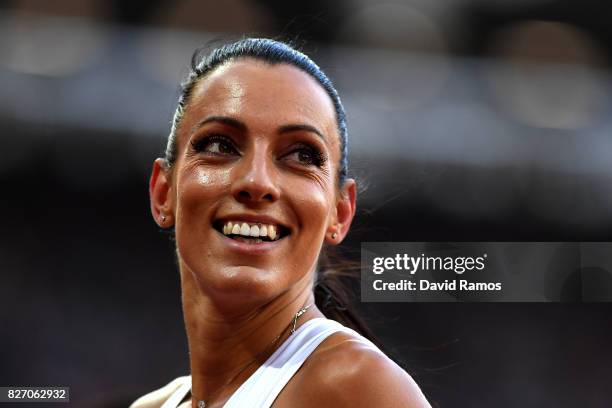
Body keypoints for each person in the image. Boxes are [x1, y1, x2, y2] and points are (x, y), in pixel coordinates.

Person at [131, 38, 431, 408]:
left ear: (340, 213)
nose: (257, 182)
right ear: (163, 192)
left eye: (301, 154)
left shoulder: (357, 390)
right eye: (220, 145)